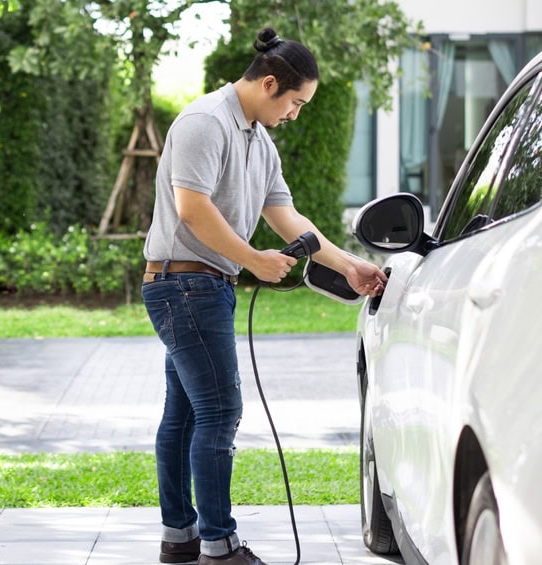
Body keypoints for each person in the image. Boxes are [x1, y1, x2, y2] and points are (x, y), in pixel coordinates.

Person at [142, 27, 387, 565]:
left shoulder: (259, 139)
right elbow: (192, 208)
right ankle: (219, 546)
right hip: (184, 283)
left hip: (202, 285)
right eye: (296, 102)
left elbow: (288, 218)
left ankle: (179, 540)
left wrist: (349, 266)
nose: (297, 113)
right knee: (220, 410)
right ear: (270, 83)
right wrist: (253, 260)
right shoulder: (206, 122)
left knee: (184, 414)